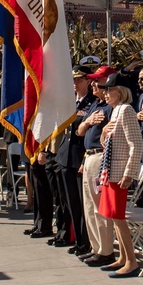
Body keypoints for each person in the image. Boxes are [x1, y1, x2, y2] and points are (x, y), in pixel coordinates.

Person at [95, 72, 143, 278]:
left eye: (109, 89)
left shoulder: (126, 110)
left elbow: (136, 144)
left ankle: (131, 261)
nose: (106, 93)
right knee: (114, 217)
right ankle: (123, 258)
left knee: (118, 217)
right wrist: (105, 132)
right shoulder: (115, 111)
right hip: (110, 171)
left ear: (120, 91)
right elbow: (107, 144)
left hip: (119, 173)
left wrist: (130, 172)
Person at [53, 69, 96, 256]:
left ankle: (86, 242)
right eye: (73, 79)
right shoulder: (70, 101)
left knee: (82, 202)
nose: (75, 83)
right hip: (65, 156)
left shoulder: (92, 103)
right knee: (70, 202)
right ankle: (78, 240)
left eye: (79, 79)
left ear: (87, 81)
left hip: (80, 156)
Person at [77, 66, 117, 267]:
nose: (93, 84)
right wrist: (88, 122)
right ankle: (96, 248)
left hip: (101, 158)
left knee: (100, 207)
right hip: (90, 157)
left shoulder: (112, 107)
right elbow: (80, 131)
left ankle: (106, 250)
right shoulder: (95, 105)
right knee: (90, 206)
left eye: (96, 81)